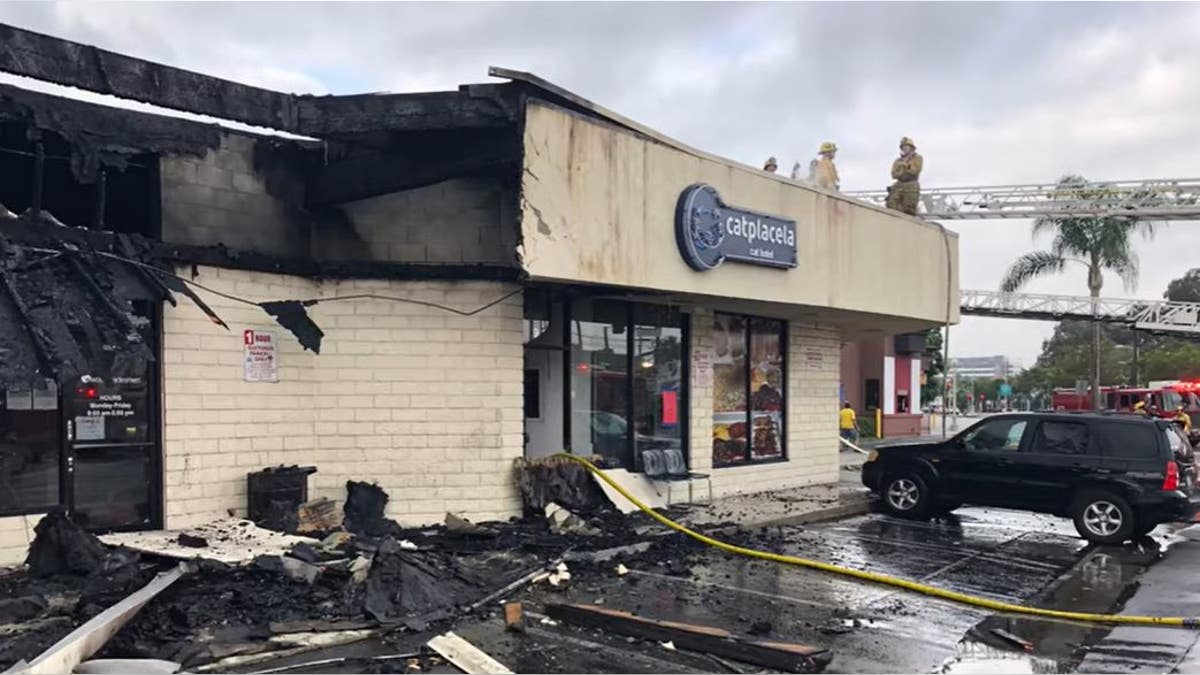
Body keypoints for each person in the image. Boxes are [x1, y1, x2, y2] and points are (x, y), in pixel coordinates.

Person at [885, 136, 923, 215]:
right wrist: (902, 166)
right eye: (903, 147)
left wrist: (906, 165)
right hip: (899, 184)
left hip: (911, 184)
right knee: (891, 205)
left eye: (906, 146)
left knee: (909, 209)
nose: (904, 148)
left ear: (911, 148)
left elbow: (915, 171)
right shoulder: (898, 161)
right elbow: (894, 174)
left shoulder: (917, 158)